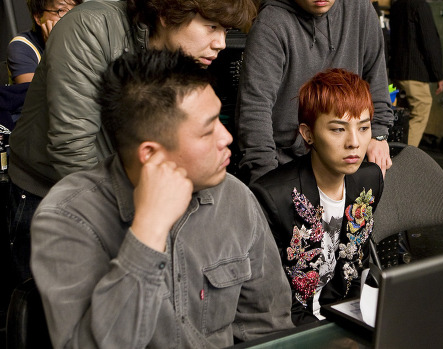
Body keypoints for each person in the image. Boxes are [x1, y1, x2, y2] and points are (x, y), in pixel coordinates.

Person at [7, 0, 255, 284]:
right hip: (49, 193)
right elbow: (72, 147)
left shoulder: (181, 56)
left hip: (127, 197)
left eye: (225, 30)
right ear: (168, 14)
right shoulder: (90, 27)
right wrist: (140, 224)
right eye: (211, 27)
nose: (221, 43)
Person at [30, 48, 293, 348]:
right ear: (151, 154)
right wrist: (149, 229)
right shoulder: (69, 217)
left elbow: (268, 327)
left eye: (220, 121)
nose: (227, 137)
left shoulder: (234, 197)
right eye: (207, 131)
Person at [236, 0, 393, 184]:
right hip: (289, 161)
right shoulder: (271, 25)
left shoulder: (357, 6)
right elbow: (255, 108)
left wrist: (378, 134)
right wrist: (266, 178)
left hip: (346, 155)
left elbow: (375, 73)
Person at [250, 68, 382, 326]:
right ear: (308, 133)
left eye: (364, 127)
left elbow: (356, 266)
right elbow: (274, 299)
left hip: (343, 316)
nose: (354, 142)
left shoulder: (369, 181)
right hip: (292, 326)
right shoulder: (272, 197)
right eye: (338, 129)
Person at [389, 0, 443, 147]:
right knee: (421, 110)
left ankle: (394, 149)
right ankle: (407, 155)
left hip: (395, 73)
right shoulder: (421, 6)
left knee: (400, 112)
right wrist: (438, 75)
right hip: (415, 73)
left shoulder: (395, 7)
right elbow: (430, 41)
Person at [7, 0, 82, 84]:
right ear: (38, 17)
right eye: (61, 10)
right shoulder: (21, 46)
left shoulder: (81, 42)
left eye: (75, 10)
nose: (70, 17)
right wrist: (55, 49)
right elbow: (30, 92)